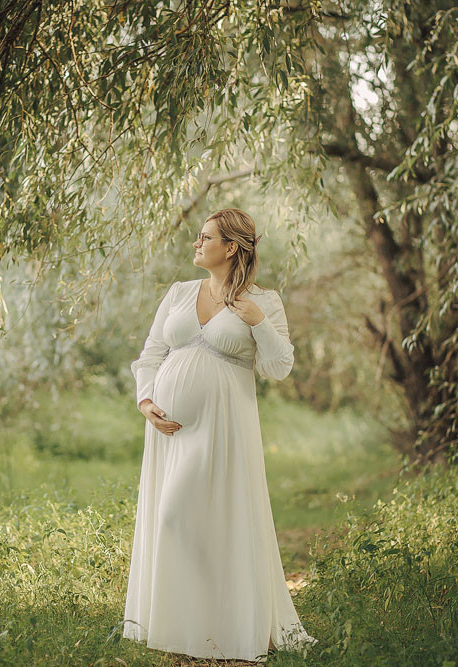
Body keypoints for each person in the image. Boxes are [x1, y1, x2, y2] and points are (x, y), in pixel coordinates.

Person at [122, 208, 318, 663]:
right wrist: (146, 401)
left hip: (224, 427)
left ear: (230, 247)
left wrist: (257, 322)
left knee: (195, 517)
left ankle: (226, 622)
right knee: (175, 518)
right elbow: (151, 354)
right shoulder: (179, 293)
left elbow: (279, 367)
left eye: (204, 237)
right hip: (170, 431)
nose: (196, 243)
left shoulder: (263, 302)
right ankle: (192, 626)